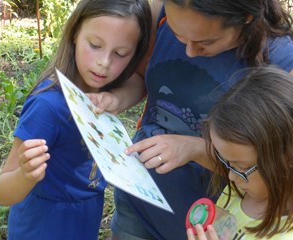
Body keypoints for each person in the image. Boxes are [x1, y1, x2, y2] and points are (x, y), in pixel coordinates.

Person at [89, 0, 293, 239]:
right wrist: (118, 99)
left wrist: (194, 148)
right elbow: (143, 76)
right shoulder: (165, 13)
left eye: (206, 42)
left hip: (211, 220)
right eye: (178, 37)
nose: (190, 52)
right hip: (140, 198)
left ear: (246, 17)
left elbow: (276, 162)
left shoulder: (282, 62)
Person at [0, 0, 151, 239]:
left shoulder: (104, 96)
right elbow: (2, 192)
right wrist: (24, 176)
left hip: (85, 216)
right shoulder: (48, 106)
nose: (104, 62)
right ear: (75, 33)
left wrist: (117, 99)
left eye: (120, 53)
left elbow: (140, 85)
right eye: (95, 45)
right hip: (45, 225)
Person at [186, 66, 293, 239]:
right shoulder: (238, 192)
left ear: (288, 158)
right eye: (227, 163)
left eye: (242, 167)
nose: (231, 177)